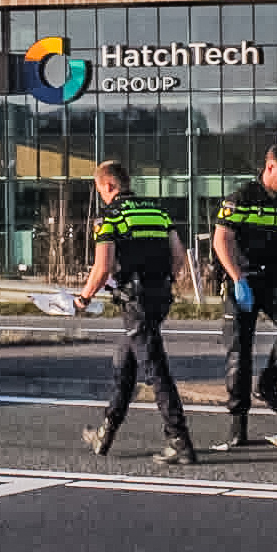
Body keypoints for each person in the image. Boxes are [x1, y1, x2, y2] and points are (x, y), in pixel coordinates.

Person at [73, 160, 197, 466]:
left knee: (155, 370)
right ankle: (106, 432)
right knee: (124, 364)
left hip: (136, 302)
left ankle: (179, 441)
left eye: (100, 190)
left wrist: (82, 299)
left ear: (109, 186)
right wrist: (162, 281)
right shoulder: (157, 211)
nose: (101, 196)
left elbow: (102, 268)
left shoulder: (111, 215)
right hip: (159, 298)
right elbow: (179, 257)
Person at [211, 143, 277, 449]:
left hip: (275, 278)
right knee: (240, 352)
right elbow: (220, 239)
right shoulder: (241, 198)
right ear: (270, 168)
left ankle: (268, 385)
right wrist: (237, 278)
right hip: (245, 279)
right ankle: (238, 426)